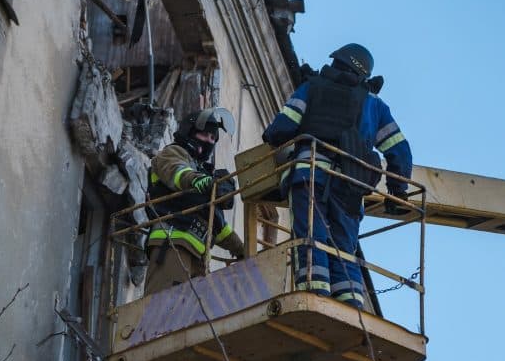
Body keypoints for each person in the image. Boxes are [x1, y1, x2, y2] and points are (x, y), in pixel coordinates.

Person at [262, 43, 413, 308]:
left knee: (311, 235)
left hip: (311, 175)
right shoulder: (374, 104)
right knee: (344, 247)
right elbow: (399, 150)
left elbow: (279, 130)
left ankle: (313, 293)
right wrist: (397, 190)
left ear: (337, 62)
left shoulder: (311, 88)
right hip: (351, 185)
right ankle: (351, 303)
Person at [143, 107, 246, 296]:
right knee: (164, 311)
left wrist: (241, 249)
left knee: (188, 319)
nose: (210, 141)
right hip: (172, 244)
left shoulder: (204, 177)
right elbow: (178, 173)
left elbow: (218, 225)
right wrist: (201, 181)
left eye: (214, 138)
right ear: (189, 132)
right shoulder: (173, 153)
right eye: (206, 135)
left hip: (198, 259)